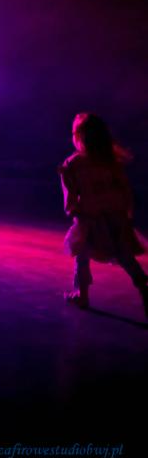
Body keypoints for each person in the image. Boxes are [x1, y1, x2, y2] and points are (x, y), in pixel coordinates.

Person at [58, 113, 147, 317]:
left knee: (82, 254)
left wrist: (74, 212)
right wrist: (126, 212)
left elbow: (70, 196)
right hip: (115, 215)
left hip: (90, 216)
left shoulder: (73, 164)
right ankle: (144, 286)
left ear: (79, 136)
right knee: (124, 254)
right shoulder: (110, 161)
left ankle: (82, 294)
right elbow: (124, 189)